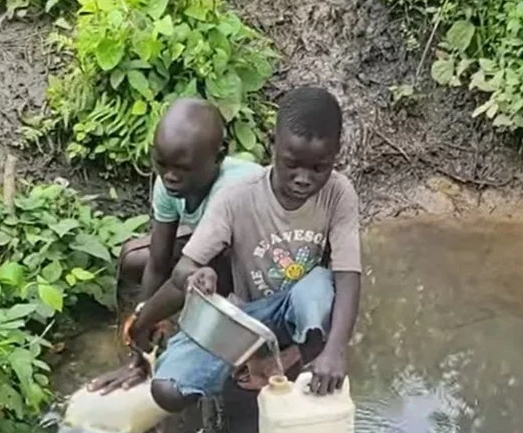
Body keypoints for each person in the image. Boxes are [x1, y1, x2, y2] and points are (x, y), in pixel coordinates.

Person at [125, 85, 361, 410]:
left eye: (318, 168)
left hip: (298, 311)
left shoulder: (339, 193)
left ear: (335, 154)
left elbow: (348, 275)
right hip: (245, 318)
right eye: (292, 164)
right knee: (167, 389)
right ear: (273, 144)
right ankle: (249, 363)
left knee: (320, 284)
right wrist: (195, 277)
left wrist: (337, 350)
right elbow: (182, 269)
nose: (303, 179)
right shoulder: (237, 196)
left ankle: (295, 358)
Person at [90, 97, 262, 393]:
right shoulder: (168, 183)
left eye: (182, 168)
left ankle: (210, 343)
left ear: (219, 156)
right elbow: (158, 263)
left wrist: (143, 321)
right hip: (210, 257)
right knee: (134, 258)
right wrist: (139, 351)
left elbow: (188, 274)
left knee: (204, 278)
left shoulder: (233, 190)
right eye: (161, 164)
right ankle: (160, 332)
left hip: (257, 267)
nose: (169, 177)